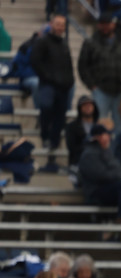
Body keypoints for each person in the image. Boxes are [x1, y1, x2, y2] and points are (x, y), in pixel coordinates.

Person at [78, 13, 121, 132]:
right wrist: (91, 85)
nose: (105, 27)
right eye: (102, 24)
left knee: (120, 126)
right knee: (99, 124)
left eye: (107, 24)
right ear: (98, 25)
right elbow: (82, 65)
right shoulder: (90, 42)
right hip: (100, 89)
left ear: (113, 24)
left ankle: (118, 150)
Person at [31, 15, 73, 174]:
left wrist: (70, 81)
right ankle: (45, 135)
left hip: (63, 86)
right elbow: (35, 61)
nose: (60, 27)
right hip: (48, 84)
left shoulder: (64, 44)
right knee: (46, 107)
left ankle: (54, 142)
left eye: (63, 25)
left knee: (61, 115)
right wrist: (47, 76)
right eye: (58, 24)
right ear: (51, 24)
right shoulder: (42, 42)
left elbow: (68, 65)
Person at [65, 96, 100, 171]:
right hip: (79, 163)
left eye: (90, 105)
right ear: (80, 108)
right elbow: (71, 147)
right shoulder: (72, 127)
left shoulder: (100, 126)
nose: (88, 107)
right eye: (85, 105)